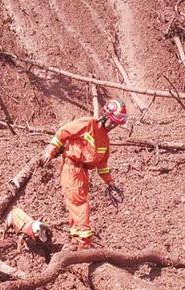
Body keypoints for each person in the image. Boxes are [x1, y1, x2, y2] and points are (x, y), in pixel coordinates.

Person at [41, 99, 126, 250]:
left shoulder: (105, 140)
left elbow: (102, 165)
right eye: (112, 122)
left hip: (83, 172)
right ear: (106, 116)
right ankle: (85, 242)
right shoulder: (88, 124)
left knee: (75, 203)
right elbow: (63, 132)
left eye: (116, 124)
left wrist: (110, 183)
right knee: (79, 203)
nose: (113, 126)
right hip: (71, 167)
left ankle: (75, 239)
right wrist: (51, 149)